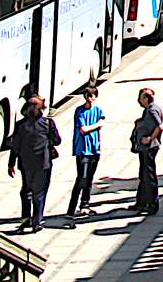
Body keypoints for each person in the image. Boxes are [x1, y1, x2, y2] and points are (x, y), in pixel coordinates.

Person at [7, 94, 61, 233]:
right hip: (43, 163)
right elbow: (57, 141)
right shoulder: (48, 123)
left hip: (25, 164)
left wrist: (11, 163)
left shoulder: (20, 125)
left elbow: (15, 146)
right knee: (40, 192)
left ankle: (26, 217)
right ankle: (37, 221)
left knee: (26, 190)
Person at [66, 84, 104, 223]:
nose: (89, 99)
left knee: (89, 178)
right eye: (87, 97)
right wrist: (97, 125)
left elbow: (102, 121)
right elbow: (83, 130)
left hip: (94, 148)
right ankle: (71, 209)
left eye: (91, 97)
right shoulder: (79, 111)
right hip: (83, 150)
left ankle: (85, 204)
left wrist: (97, 125)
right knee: (81, 178)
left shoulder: (98, 110)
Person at [131, 87, 163, 215]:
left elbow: (159, 126)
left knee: (149, 176)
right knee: (143, 174)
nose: (138, 100)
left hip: (149, 148)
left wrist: (150, 138)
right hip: (144, 148)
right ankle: (141, 202)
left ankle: (152, 203)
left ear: (146, 98)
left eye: (140, 98)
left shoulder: (152, 110)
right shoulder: (149, 110)